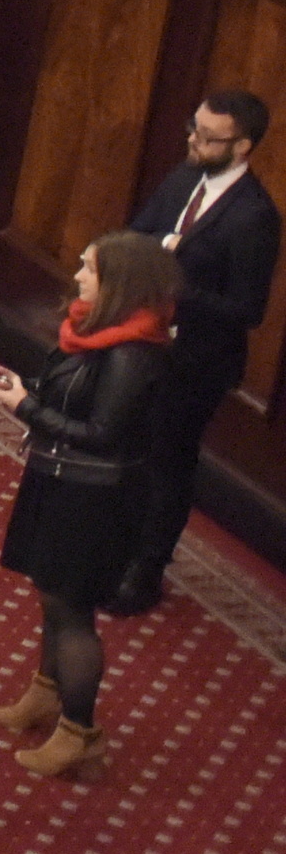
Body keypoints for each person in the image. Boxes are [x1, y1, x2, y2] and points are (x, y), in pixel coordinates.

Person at [0, 222, 175, 783]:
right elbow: (74, 396)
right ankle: (46, 694)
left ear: (118, 283)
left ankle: (79, 731)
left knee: (72, 609)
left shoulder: (134, 355)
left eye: (88, 267)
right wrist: (31, 392)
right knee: (51, 592)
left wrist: (25, 409)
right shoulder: (95, 332)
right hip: (63, 480)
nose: (76, 275)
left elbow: (101, 432)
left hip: (96, 497)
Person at [121, 88, 277, 612]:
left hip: (196, 363)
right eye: (194, 127)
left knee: (167, 460)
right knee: (128, 446)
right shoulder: (183, 176)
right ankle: (116, 545)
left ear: (242, 147)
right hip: (142, 340)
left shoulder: (255, 217)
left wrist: (174, 285)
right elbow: (140, 233)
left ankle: (145, 573)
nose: (194, 140)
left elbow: (246, 309)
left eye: (208, 137)